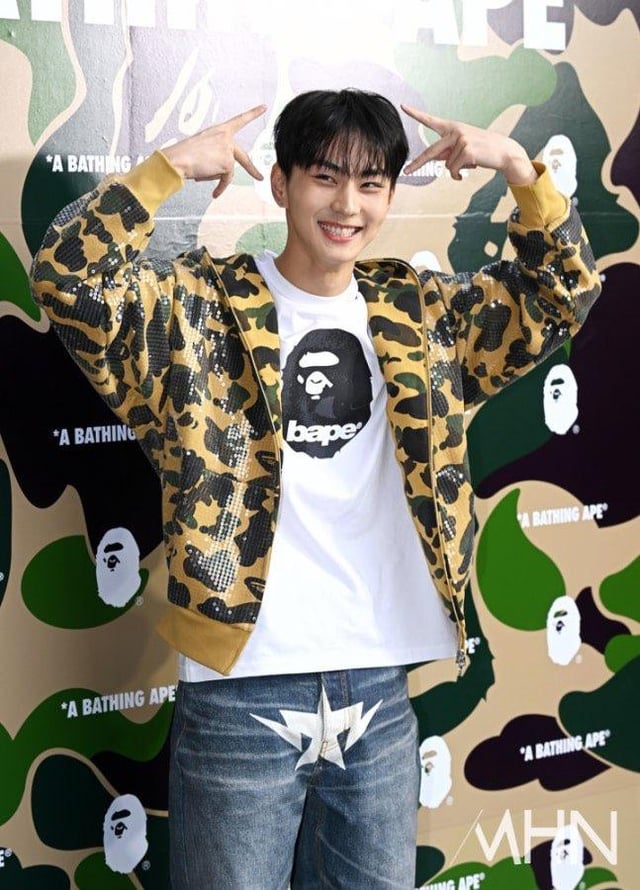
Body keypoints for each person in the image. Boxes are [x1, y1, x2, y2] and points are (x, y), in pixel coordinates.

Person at [30, 88, 600, 889]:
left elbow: (561, 294)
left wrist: (515, 166)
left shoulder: (422, 314)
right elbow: (67, 278)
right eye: (326, 177)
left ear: (391, 196)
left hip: (379, 692)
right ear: (282, 182)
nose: (347, 205)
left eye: (371, 184)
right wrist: (165, 171)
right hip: (240, 696)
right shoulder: (201, 309)